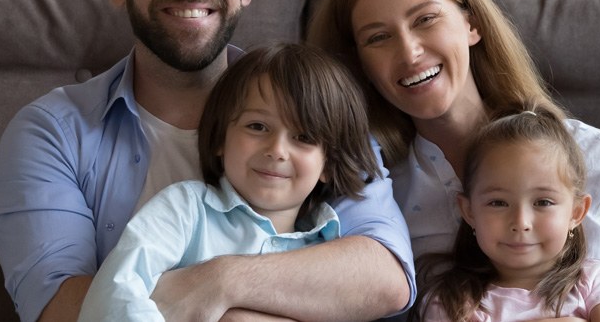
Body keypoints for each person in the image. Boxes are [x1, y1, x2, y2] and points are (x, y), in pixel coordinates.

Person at [0, 0, 414, 322]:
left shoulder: (312, 104)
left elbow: (385, 274)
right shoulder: (52, 132)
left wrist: (220, 282)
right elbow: (57, 306)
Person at [307, 0, 600, 274]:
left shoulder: (595, 158)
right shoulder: (375, 195)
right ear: (360, 64)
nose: (409, 53)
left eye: (425, 19)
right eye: (378, 37)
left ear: (472, 24)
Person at [78, 43, 383, 321]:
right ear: (221, 137)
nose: (277, 150)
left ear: (327, 164)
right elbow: (118, 287)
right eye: (258, 126)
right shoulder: (184, 211)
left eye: (303, 137)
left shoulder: (331, 248)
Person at [413, 105, 600, 321]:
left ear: (576, 213)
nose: (521, 222)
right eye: (498, 203)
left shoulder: (595, 282)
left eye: (543, 202)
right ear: (469, 211)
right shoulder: (450, 304)